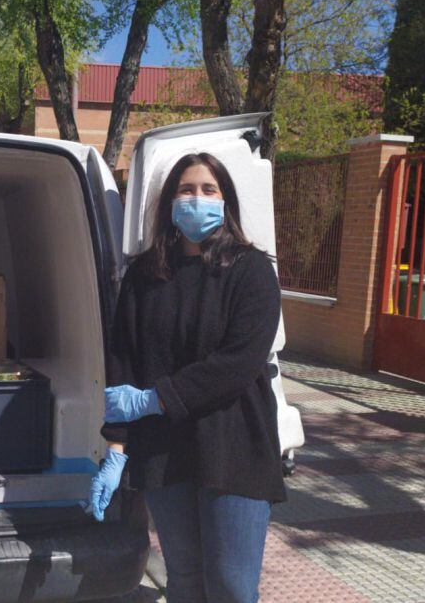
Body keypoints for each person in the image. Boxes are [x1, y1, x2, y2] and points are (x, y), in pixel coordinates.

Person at [87, 152, 285, 603]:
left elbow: (238, 362)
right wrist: (116, 446)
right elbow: (123, 360)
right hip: (164, 452)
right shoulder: (144, 274)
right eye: (186, 189)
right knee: (186, 582)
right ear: (170, 202)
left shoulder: (251, 271)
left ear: (225, 201)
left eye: (208, 189)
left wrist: (156, 398)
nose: (197, 198)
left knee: (231, 586)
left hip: (234, 448)